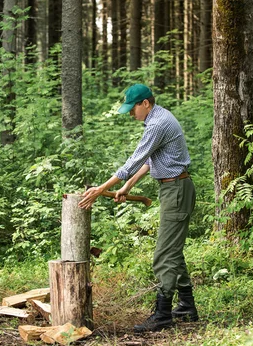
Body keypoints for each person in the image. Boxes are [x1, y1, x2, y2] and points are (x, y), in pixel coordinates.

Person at [78, 83, 198, 332]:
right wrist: (127, 187)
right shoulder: (158, 118)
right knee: (172, 250)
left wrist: (101, 188)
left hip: (177, 190)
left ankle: (163, 315)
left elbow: (134, 160)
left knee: (164, 256)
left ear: (145, 103)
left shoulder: (157, 124)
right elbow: (149, 161)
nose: (131, 115)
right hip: (174, 188)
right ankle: (186, 306)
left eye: (132, 109)